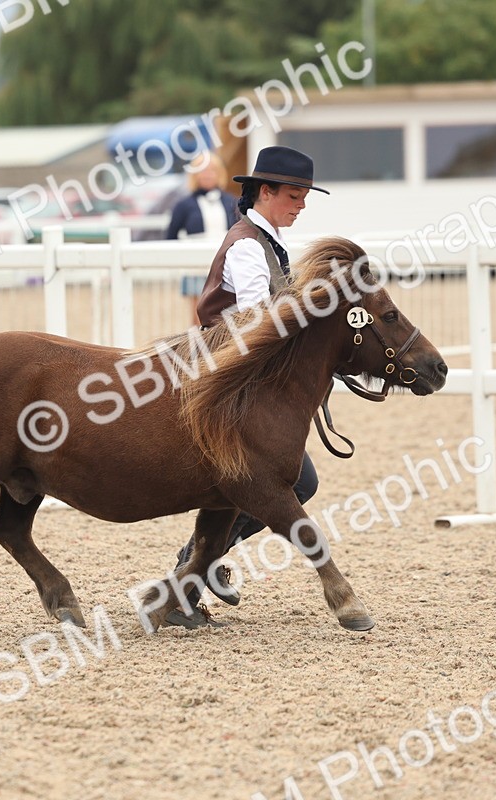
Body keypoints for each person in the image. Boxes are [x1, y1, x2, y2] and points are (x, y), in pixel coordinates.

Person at [165, 145, 330, 628]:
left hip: (248, 381)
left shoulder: (267, 241)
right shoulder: (246, 246)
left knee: (294, 481)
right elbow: (263, 320)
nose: (301, 205)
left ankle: (200, 563)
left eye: (304, 196)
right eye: (295, 195)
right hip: (230, 383)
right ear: (266, 192)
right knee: (300, 480)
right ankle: (198, 562)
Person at [166, 152, 241, 326]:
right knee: (198, 314)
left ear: (219, 173)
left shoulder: (233, 202)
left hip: (225, 263)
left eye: (212, 170)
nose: (207, 174)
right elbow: (171, 236)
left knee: (226, 311)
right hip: (196, 266)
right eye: (202, 170)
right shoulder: (183, 205)